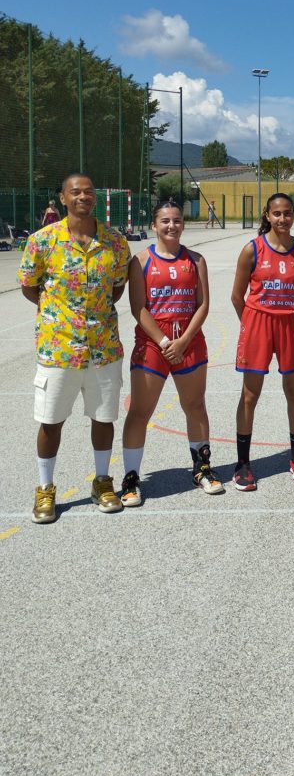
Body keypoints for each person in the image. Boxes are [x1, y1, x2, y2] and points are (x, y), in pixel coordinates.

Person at [18, 173, 130, 524]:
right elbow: (29, 286)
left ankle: (102, 482)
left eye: (89, 192)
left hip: (103, 348)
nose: (84, 196)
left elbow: (117, 287)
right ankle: (45, 488)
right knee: (51, 421)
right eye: (75, 192)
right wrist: (59, 315)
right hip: (59, 350)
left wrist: (93, 315)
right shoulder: (42, 241)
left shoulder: (115, 242)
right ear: (63, 198)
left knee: (104, 418)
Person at [119, 201, 222, 507]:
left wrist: (184, 340)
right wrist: (166, 342)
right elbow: (138, 307)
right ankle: (131, 478)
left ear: (183, 224)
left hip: (188, 339)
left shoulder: (196, 260)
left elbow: (203, 304)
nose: (171, 226)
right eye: (165, 221)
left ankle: (202, 467)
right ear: (154, 225)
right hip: (154, 342)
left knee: (195, 405)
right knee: (140, 412)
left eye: (177, 220)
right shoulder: (140, 261)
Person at [231, 193, 294, 489]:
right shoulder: (252, 250)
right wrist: (252, 324)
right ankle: (243, 463)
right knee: (250, 394)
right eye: (277, 213)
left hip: (291, 324)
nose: (282, 218)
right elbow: (236, 296)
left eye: (287, 213)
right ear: (267, 215)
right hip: (258, 324)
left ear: (293, 215)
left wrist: (286, 315)